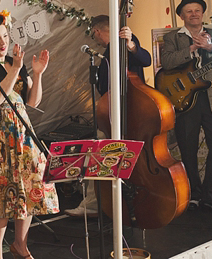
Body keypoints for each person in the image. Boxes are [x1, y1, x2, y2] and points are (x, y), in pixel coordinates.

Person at [0, 11, 59, 259]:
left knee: (28, 188)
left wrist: (37, 74)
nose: (2, 42)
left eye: (5, 36)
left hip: (21, 131)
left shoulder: (14, 63)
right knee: (0, 193)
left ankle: (20, 245)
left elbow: (33, 101)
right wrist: (15, 69)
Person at [65, 14, 151, 217]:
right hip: (118, 112)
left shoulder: (124, 42)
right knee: (106, 153)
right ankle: (102, 203)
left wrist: (130, 44)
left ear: (96, 31)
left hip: (126, 112)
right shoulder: (108, 53)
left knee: (100, 153)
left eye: (94, 34)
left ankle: (95, 204)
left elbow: (145, 59)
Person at [161, 0, 212, 215]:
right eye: (188, 11)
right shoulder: (172, 38)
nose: (194, 14)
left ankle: (210, 195)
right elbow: (166, 62)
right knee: (187, 148)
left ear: (202, 13)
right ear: (181, 16)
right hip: (186, 101)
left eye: (197, 10)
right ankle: (193, 194)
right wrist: (192, 48)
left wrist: (211, 47)